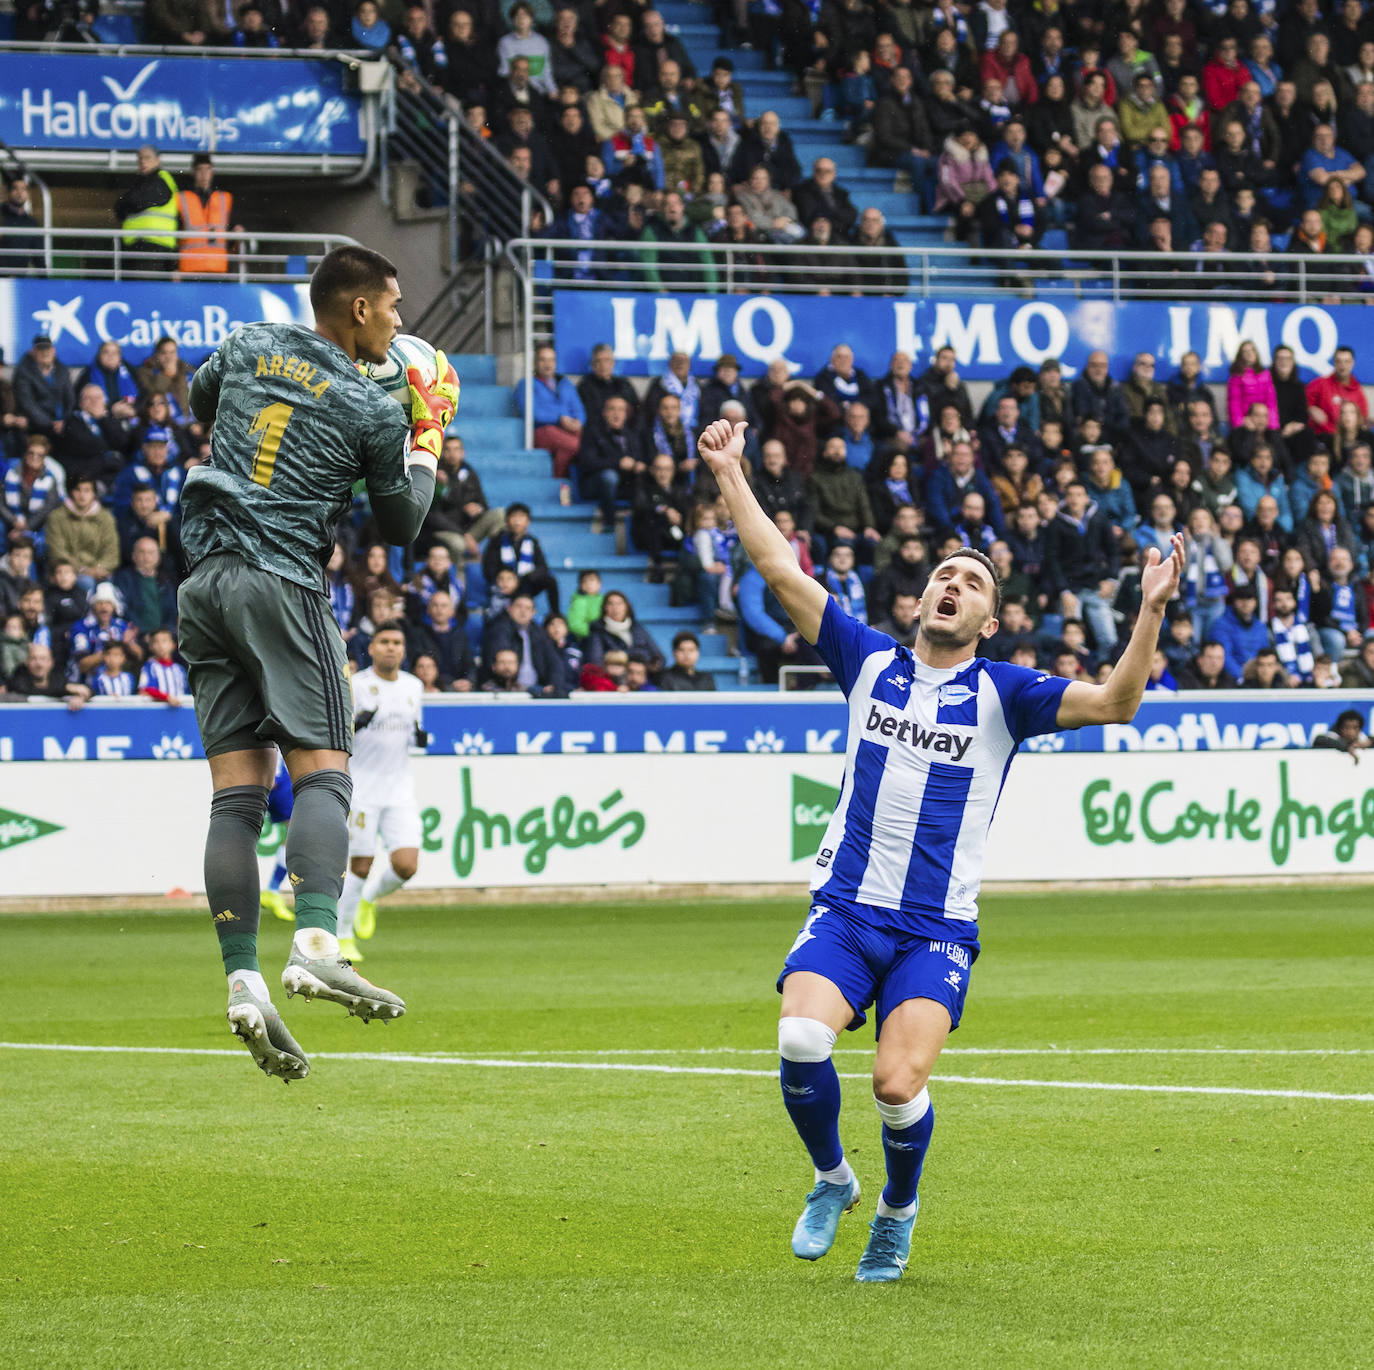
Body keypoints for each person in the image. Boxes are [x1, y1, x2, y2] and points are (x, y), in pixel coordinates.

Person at [695, 413, 1183, 1283]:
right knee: (802, 1041)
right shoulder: (869, 661)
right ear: (920, 602)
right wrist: (732, 471)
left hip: (936, 928)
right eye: (944, 575)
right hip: (847, 908)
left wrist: (1147, 611)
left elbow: (1116, 702)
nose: (954, 584)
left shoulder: (1006, 693)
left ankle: (898, 1209)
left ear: (990, 620)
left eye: (973, 582)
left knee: (892, 1085)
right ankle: (832, 1180)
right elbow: (778, 567)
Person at [177, 245, 456, 1081]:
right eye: (396, 307)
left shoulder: (248, 339)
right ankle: (316, 943)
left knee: (237, 795)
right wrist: (429, 430)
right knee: (325, 775)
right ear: (362, 310)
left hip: (203, 581)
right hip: (281, 580)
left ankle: (241, 978)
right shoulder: (373, 406)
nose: (401, 321)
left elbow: (203, 397)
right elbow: (403, 524)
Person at [334, 621, 427, 962]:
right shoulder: (356, 684)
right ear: (371, 647)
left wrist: (421, 738)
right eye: (384, 641)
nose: (391, 647)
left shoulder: (414, 687)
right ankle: (343, 936)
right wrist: (358, 721)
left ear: (404, 650)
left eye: (397, 642)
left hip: (400, 790)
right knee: (360, 862)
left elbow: (414, 730)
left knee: (407, 866)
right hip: (362, 789)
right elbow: (339, 731)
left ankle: (368, 899)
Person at [114, 145, 180, 273]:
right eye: (140, 159)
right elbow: (119, 208)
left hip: (154, 246)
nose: (143, 162)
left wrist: (126, 203)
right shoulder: (141, 182)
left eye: (147, 158)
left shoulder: (161, 180)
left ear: (158, 159)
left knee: (144, 289)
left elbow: (134, 202)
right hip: (141, 245)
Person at [178, 153, 238, 275]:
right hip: (189, 269)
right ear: (193, 172)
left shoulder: (225, 198)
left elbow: (233, 231)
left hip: (218, 268)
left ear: (212, 172)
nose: (204, 174)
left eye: (208, 169)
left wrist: (238, 229)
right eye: (200, 169)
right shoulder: (181, 198)